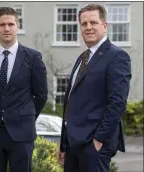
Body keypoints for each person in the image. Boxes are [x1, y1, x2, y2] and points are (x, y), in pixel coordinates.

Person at [56, 4, 131, 172]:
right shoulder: (83, 57)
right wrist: (63, 143)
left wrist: (98, 141)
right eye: (84, 24)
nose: (88, 27)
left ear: (104, 26)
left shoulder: (117, 56)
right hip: (73, 143)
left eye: (93, 22)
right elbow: (71, 103)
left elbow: (117, 103)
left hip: (94, 145)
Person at [0, 7, 48, 172]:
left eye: (10, 24)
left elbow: (41, 95)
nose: (6, 28)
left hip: (22, 133)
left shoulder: (33, 58)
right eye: (2, 25)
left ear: (17, 26)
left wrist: (25, 115)